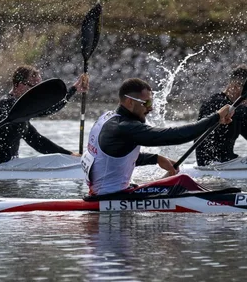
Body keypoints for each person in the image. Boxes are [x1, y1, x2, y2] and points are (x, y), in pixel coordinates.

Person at [82, 78, 233, 197]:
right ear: (129, 102)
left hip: (105, 192)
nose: (151, 108)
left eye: (151, 102)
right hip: (112, 197)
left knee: (176, 182)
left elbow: (114, 156)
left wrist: (156, 158)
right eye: (146, 103)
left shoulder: (107, 118)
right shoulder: (125, 127)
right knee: (182, 181)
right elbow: (174, 136)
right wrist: (215, 117)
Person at [0, 65, 89, 167]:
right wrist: (71, 91)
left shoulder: (19, 113)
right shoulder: (5, 105)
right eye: (34, 88)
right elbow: (47, 110)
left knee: (59, 158)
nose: (38, 93)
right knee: (56, 161)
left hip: (6, 165)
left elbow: (36, 141)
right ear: (20, 85)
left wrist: (70, 154)